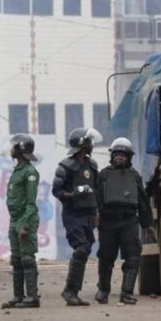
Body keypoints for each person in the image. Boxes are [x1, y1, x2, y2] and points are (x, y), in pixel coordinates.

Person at [95, 138, 155, 305]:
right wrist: (95, 215)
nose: (120, 158)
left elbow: (142, 202)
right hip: (108, 222)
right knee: (106, 258)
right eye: (117, 155)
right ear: (112, 156)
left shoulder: (134, 176)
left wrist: (148, 225)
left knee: (133, 257)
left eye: (123, 155)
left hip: (128, 222)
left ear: (128, 157)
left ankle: (127, 292)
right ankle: (103, 290)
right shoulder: (104, 175)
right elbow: (96, 198)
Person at [52, 127, 102, 306]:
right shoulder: (65, 166)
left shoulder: (92, 165)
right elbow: (56, 191)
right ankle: (70, 291)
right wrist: (73, 195)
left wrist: (96, 213)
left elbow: (96, 191)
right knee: (81, 248)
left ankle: (73, 291)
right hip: (73, 215)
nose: (91, 145)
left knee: (87, 248)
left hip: (88, 214)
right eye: (89, 142)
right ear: (82, 145)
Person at [2, 134, 41, 309]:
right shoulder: (18, 170)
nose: (11, 150)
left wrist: (25, 225)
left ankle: (32, 297)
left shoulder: (30, 172)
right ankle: (18, 296)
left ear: (21, 150)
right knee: (16, 259)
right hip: (14, 219)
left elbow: (31, 203)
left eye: (14, 147)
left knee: (27, 259)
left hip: (26, 220)